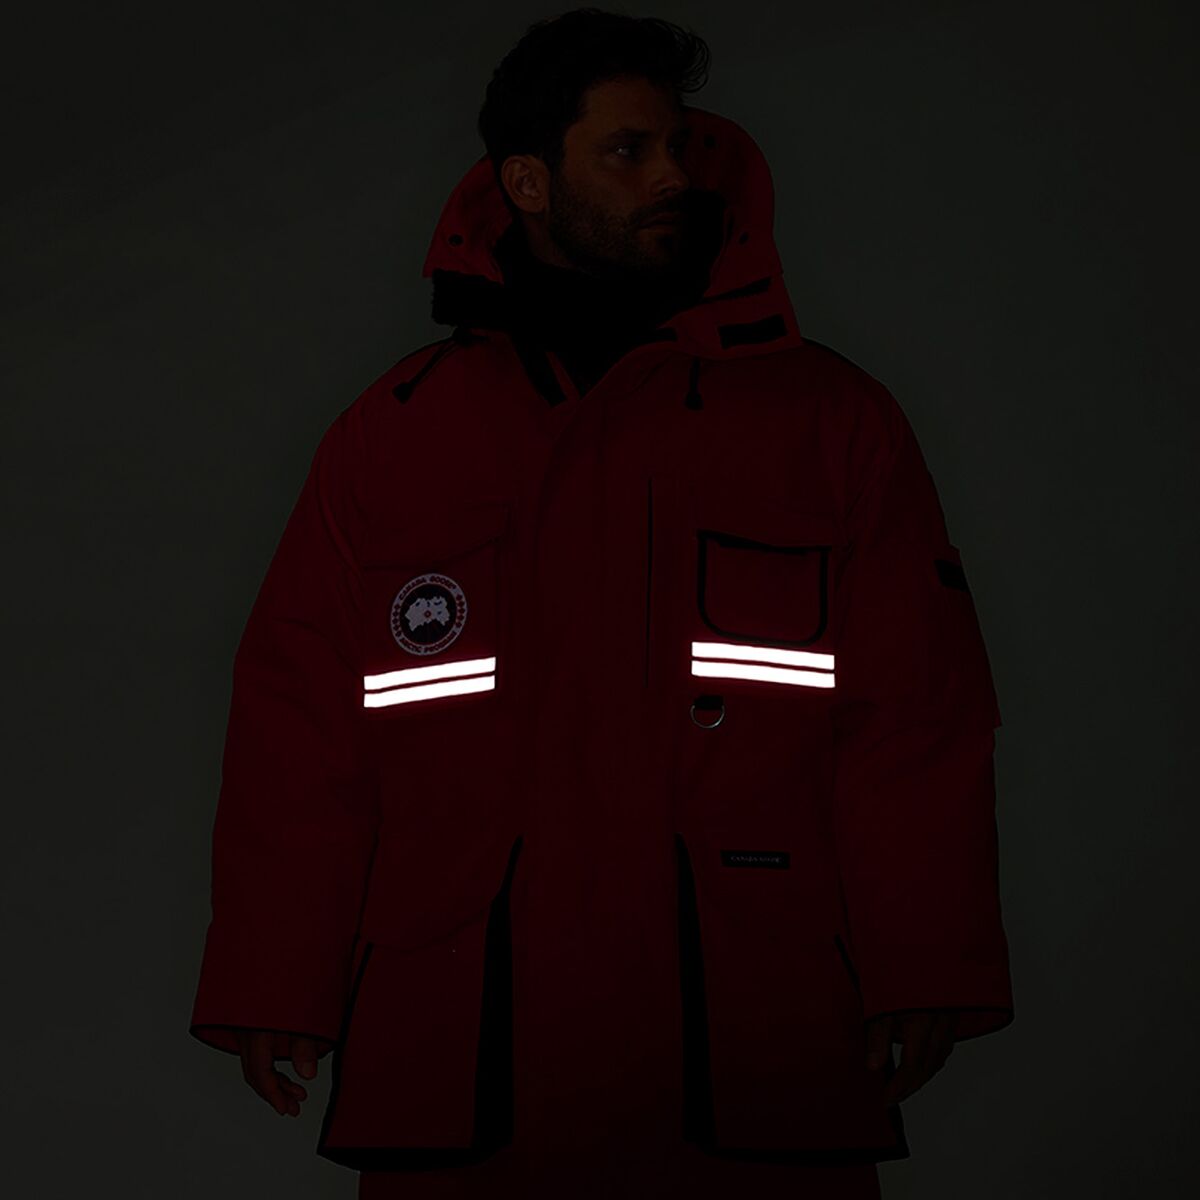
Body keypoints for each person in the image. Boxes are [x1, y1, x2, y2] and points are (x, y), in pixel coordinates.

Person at [189, 9, 1013, 1199]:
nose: (674, 174)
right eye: (628, 150)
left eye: (677, 145)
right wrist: (278, 977)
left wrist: (923, 959)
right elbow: (301, 728)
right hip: (472, 1047)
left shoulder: (829, 424)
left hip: (745, 1040)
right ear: (528, 183)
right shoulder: (396, 437)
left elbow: (916, 714)